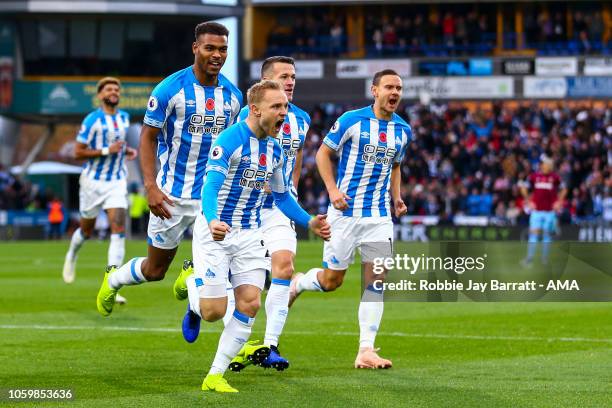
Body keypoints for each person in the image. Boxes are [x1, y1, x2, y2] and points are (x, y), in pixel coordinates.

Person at [175, 80, 330, 393]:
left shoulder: (275, 149)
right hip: (216, 232)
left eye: (285, 107)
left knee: (249, 304)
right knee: (213, 311)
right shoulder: (229, 140)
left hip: (250, 234)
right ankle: (192, 282)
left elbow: (283, 196)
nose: (284, 113)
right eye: (277, 107)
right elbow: (211, 187)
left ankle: (215, 375)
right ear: (256, 109)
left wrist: (309, 221)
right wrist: (213, 219)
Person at [95, 21, 242, 316]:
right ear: (195, 48)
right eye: (210, 48)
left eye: (223, 49)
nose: (217, 55)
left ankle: (202, 303)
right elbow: (147, 138)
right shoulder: (169, 90)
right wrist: (150, 186)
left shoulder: (234, 97)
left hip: (212, 198)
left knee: (223, 268)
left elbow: (232, 147)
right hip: (170, 195)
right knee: (155, 270)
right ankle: (113, 279)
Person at [289, 69, 411, 369]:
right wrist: (331, 190)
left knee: (376, 281)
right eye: (389, 87)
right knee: (332, 281)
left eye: (399, 88)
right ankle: (300, 283)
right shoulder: (351, 120)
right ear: (375, 90)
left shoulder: (403, 130)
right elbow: (322, 154)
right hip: (344, 215)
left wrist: (396, 198)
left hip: (379, 218)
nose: (394, 93)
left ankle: (366, 350)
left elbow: (396, 166)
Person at [225, 56, 310, 371]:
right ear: (265, 84)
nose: (290, 82)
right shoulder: (242, 116)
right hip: (242, 207)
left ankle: (269, 345)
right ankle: (199, 300)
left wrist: (291, 189)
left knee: (284, 268)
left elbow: (297, 154)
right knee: (238, 282)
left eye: (293, 77)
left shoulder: (300, 119)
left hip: (277, 207)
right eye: (284, 76)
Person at [63, 77, 137, 309]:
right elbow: (77, 152)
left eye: (116, 89)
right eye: (109, 89)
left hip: (116, 181)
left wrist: (126, 150)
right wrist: (107, 150)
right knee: (86, 230)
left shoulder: (124, 118)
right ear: (100, 95)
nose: (114, 92)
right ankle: (72, 252)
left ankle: (111, 286)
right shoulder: (92, 120)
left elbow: (118, 145)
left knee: (118, 228)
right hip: (93, 183)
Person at [520, 157, 566, 266]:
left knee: (546, 236)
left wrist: (559, 202)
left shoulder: (555, 178)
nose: (548, 167)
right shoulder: (534, 176)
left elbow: (564, 189)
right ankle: (529, 259)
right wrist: (528, 201)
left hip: (550, 212)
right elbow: (523, 188)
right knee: (533, 235)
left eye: (550, 165)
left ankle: (545, 259)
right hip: (536, 211)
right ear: (542, 166)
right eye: (547, 165)